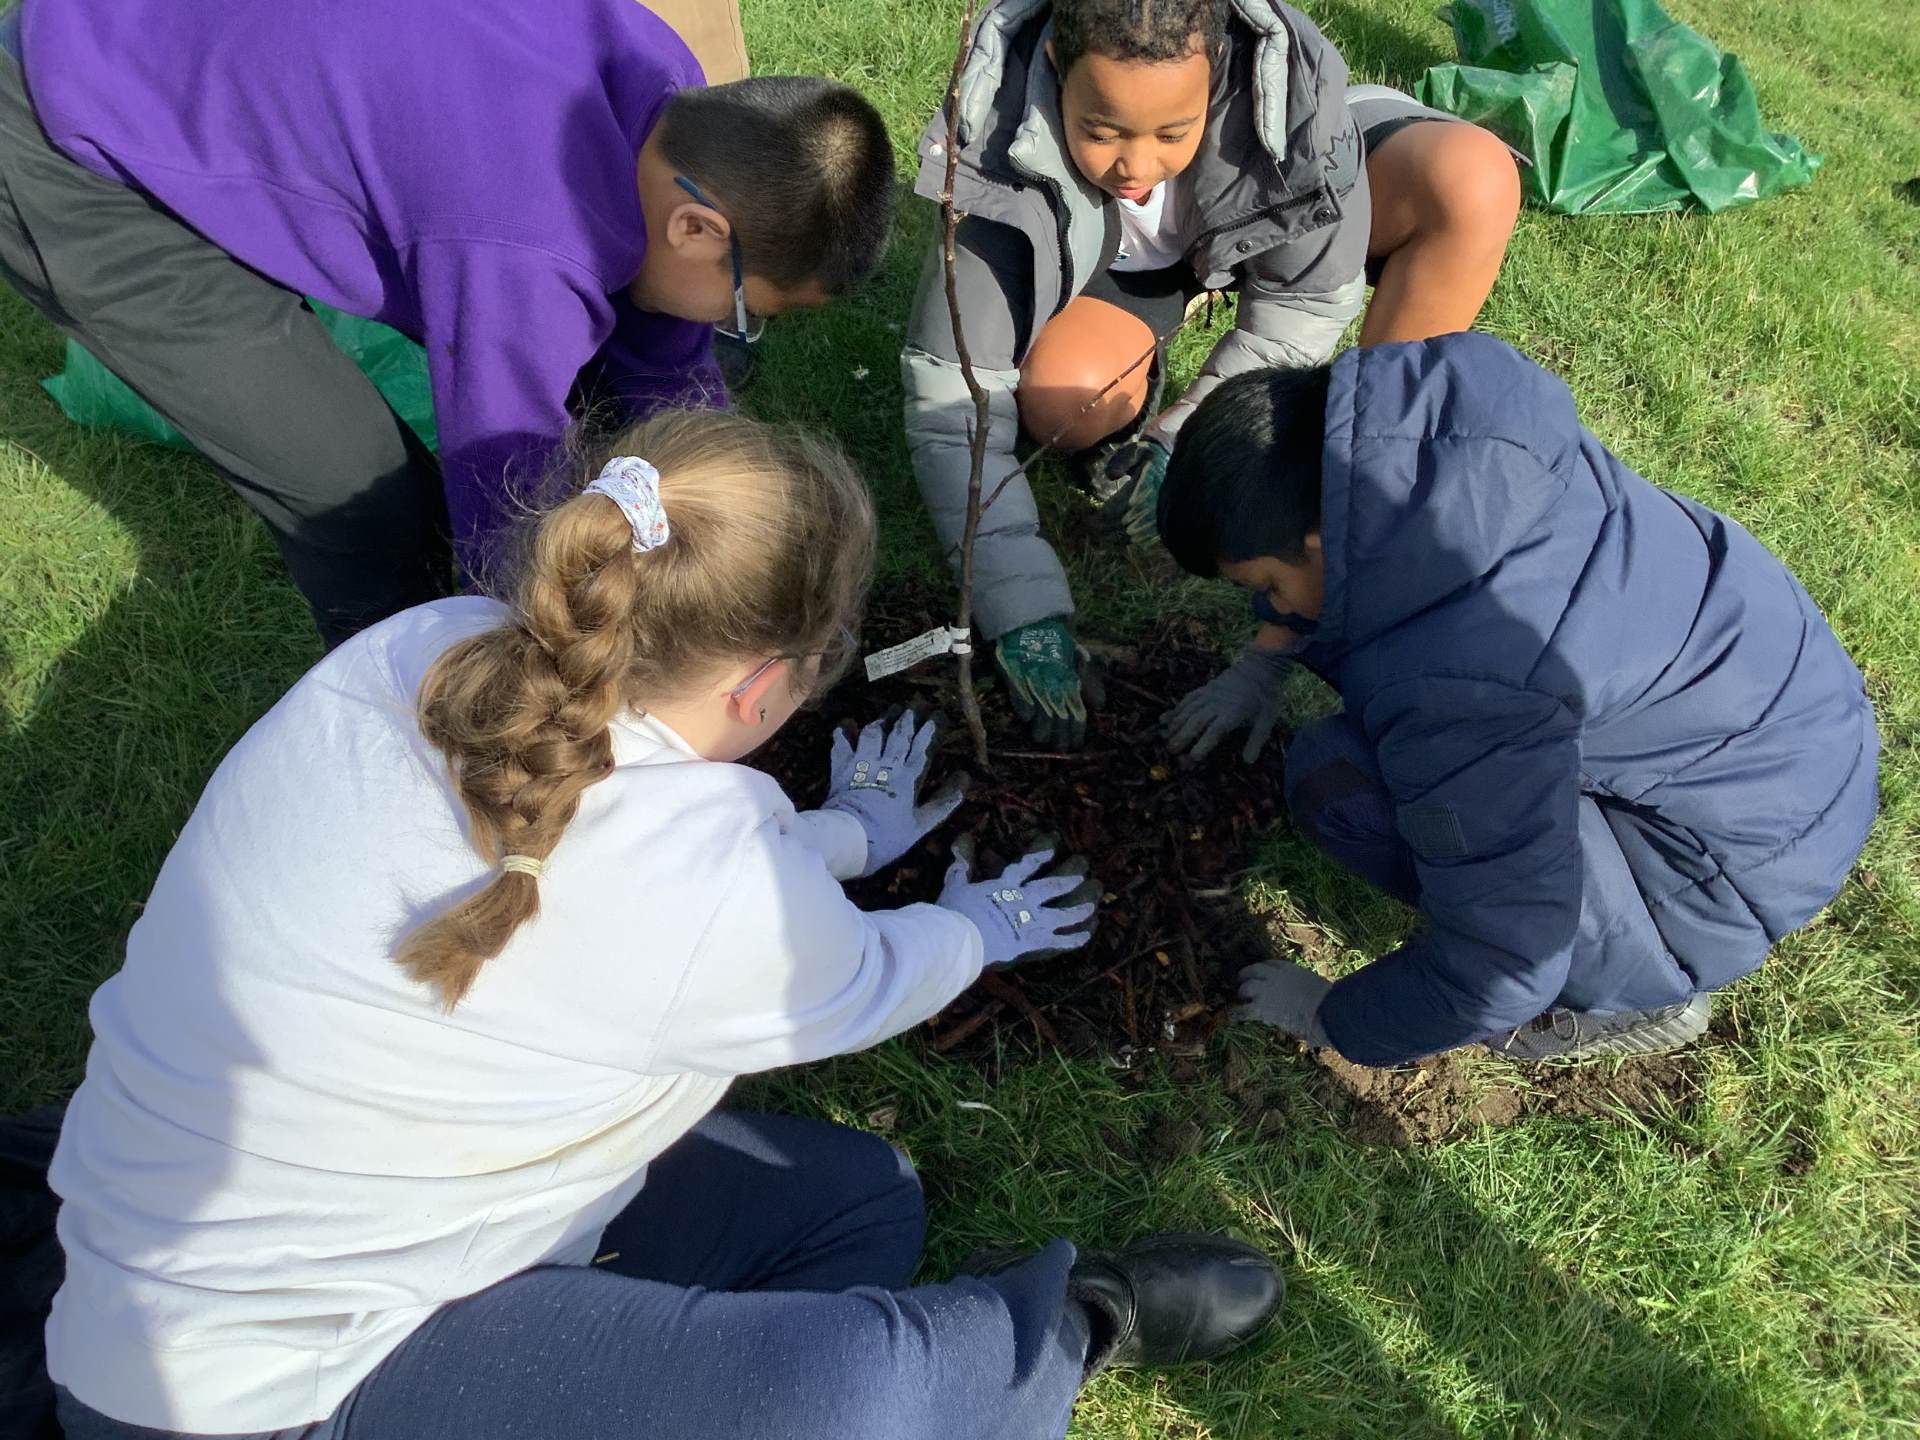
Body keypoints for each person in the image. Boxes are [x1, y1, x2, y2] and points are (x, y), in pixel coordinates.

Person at [45, 409, 1283, 1440]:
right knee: (857, 1394)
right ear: (765, 685)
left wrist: (844, 837)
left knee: (862, 1203)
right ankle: (1080, 1325)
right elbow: (856, 973)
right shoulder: (716, 887)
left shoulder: (433, 647)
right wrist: (975, 927)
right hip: (255, 1398)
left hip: (213, 1232)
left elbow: (608, 874)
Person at [0, 0, 894, 647]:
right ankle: (408, 727)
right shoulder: (522, 248)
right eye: (744, 312)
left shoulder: (667, 91)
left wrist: (735, 524)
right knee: (366, 503)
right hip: (70, 133)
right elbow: (505, 513)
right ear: (698, 227)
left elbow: (660, 360)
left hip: (185, 50)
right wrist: (567, 673)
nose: (732, 331)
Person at [1155, 334, 1879, 1065]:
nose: (1272, 607)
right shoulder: (1447, 449)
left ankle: (1640, 992)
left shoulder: (1466, 681)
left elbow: (1506, 956)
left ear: (1317, 542)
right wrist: (1262, 665)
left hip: (1727, 873)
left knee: (1336, 781)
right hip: (1789, 734)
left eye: (1267, 588)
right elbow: (1356, 568)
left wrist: (1336, 1020)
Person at [901, 0, 1521, 748]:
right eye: (1102, 131)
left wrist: (1184, 441)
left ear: (1221, 65)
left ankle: (1366, 488)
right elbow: (950, 404)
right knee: (1068, 401)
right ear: (1059, 66)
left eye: (1172, 133)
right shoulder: (1000, 152)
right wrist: (1020, 611)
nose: (1136, 166)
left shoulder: (1294, 119)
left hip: (1271, 199)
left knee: (1472, 179)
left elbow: (1297, 314)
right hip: (1132, 260)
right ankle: (1156, 343)